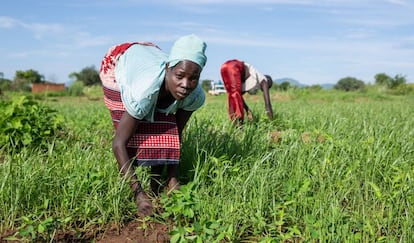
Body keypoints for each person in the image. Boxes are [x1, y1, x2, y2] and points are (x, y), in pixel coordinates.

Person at [99, 34, 207, 216]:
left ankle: (156, 186)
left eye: (193, 78)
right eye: (179, 76)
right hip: (120, 61)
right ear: (168, 69)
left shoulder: (195, 96)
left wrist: (173, 179)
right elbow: (118, 143)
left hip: (150, 54)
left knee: (165, 129)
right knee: (133, 130)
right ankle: (143, 190)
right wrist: (138, 194)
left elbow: (175, 134)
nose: (185, 85)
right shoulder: (144, 91)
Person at [220, 59, 273, 125]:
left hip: (224, 67)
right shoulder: (264, 81)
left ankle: (235, 126)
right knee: (234, 97)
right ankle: (238, 127)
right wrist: (272, 123)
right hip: (234, 67)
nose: (264, 90)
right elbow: (267, 104)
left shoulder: (250, 78)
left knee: (233, 97)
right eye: (267, 88)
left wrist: (247, 110)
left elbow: (240, 96)